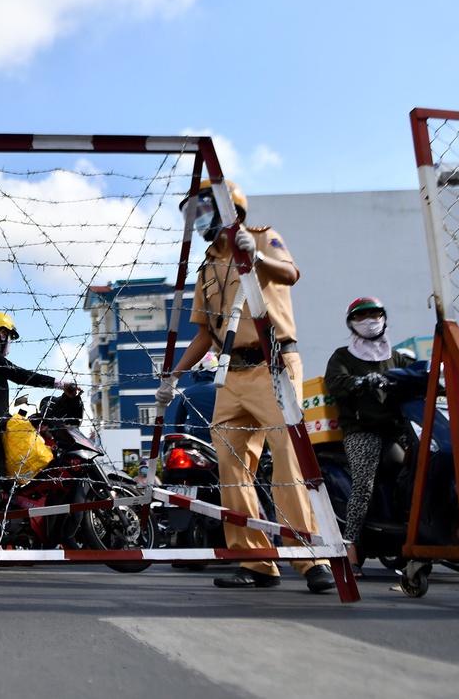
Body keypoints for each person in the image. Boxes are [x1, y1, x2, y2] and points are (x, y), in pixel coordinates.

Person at [156, 179, 334, 593]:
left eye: (201, 210)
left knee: (288, 464)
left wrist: (257, 260)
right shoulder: (205, 267)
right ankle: (256, 561)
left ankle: (311, 558)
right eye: (191, 214)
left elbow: (290, 273)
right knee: (232, 471)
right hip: (229, 375)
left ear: (226, 207)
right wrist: (174, 374)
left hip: (272, 364)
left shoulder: (261, 237)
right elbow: (204, 334)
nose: (196, 220)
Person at [0, 311, 78, 560]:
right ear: (1, 333)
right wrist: (60, 383)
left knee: (1, 480)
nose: (9, 343)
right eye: (9, 336)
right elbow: (19, 373)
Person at [324, 297, 414, 574]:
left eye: (374, 314)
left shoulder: (396, 356)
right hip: (362, 431)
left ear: (384, 318)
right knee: (363, 485)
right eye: (361, 317)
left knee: (421, 472)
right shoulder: (343, 355)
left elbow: (413, 378)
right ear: (352, 323)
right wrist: (359, 381)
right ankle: (349, 547)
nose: (369, 320)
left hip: (397, 430)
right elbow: (335, 382)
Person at [164, 352, 218, 444]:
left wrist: (191, 434)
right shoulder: (223, 392)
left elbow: (178, 425)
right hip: (222, 441)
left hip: (199, 443)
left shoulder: (187, 393)